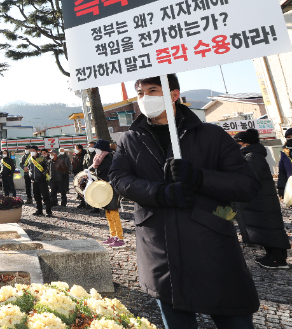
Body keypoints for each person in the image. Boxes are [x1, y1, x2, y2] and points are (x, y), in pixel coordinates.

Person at [110, 74, 261, 329]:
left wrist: (199, 177)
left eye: (153, 90)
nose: (144, 98)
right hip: (160, 252)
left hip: (212, 248)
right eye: (140, 93)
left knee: (234, 319)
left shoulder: (211, 135)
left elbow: (247, 185)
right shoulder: (130, 139)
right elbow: (119, 178)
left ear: (173, 95)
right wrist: (159, 193)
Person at [233, 128, 290, 268]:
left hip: (262, 200)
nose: (236, 145)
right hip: (259, 199)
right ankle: (270, 255)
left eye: (238, 142)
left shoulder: (253, 156)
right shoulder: (250, 155)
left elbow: (249, 177)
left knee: (271, 228)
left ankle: (278, 259)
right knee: (264, 230)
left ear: (245, 143)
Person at [90, 140, 124, 247]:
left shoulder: (109, 158)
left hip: (111, 189)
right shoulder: (100, 158)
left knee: (114, 213)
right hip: (104, 188)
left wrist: (108, 181)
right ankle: (112, 235)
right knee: (108, 213)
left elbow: (113, 173)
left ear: (103, 148)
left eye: (97, 148)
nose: (95, 149)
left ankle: (120, 238)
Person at [24, 146, 52, 217]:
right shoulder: (30, 159)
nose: (32, 152)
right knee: (37, 196)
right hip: (34, 180)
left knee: (45, 196)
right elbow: (29, 168)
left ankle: (49, 211)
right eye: (31, 150)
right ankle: (39, 210)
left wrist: (42, 175)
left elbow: (47, 167)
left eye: (33, 150)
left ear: (37, 151)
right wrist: (30, 174)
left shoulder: (42, 158)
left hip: (42, 180)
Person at [276, 128, 292, 200]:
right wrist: (281, 187)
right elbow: (282, 172)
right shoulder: (284, 153)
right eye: (289, 137)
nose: (291, 139)